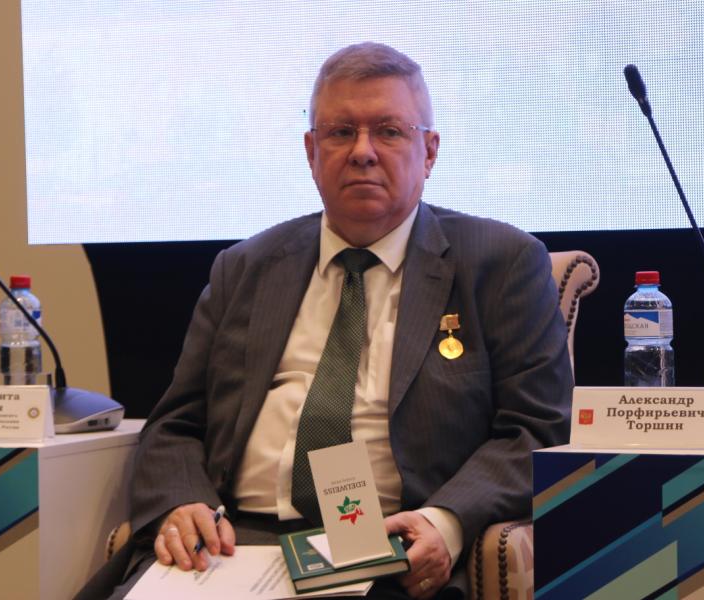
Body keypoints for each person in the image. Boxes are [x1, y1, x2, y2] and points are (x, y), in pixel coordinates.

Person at [82, 41, 571, 600]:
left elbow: (536, 431)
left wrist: (445, 521)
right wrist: (182, 500)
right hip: (230, 546)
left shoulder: (499, 262)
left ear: (429, 151)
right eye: (340, 132)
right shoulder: (246, 268)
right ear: (311, 151)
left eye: (389, 131)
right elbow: (175, 424)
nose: (362, 152)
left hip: (386, 547)